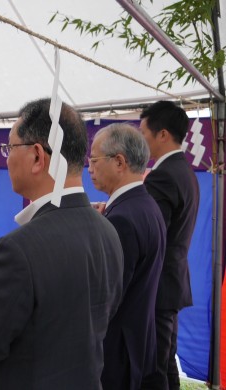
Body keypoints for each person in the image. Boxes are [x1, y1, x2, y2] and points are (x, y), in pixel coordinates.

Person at [0, 98, 124, 389]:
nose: (7, 158)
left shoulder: (19, 249)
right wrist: (4, 272)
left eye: (9, 148)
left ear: (38, 156)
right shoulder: (108, 230)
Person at [89, 123, 166, 390]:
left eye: (94, 160)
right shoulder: (144, 205)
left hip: (117, 355)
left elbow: (106, 299)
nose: (89, 168)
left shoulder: (122, 218)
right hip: (138, 341)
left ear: (119, 162)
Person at [139, 101, 200, 390]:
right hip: (173, 283)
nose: (141, 141)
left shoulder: (163, 175)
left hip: (158, 286)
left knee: (153, 369)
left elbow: (152, 233)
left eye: (143, 133)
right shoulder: (185, 172)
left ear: (162, 134)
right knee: (164, 365)